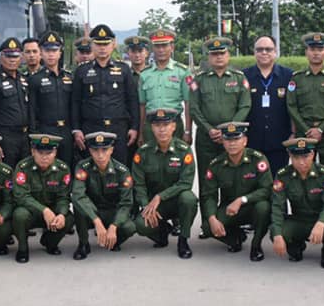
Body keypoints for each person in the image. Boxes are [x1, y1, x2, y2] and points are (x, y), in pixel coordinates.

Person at [199, 122, 272, 261]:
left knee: (264, 207)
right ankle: (235, 238)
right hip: (229, 209)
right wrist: (212, 218)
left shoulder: (257, 159)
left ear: (245, 141)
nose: (232, 144)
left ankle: (256, 245)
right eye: (228, 139)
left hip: (252, 205)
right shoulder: (216, 164)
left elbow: (267, 189)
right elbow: (209, 195)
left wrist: (242, 200)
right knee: (208, 227)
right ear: (223, 142)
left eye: (236, 139)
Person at [132, 108, 198, 259]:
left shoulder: (183, 151)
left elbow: (185, 183)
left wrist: (160, 196)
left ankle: (183, 240)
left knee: (189, 199)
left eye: (166, 125)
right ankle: (161, 232)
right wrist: (145, 205)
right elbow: (139, 184)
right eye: (157, 125)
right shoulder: (143, 153)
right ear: (151, 128)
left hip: (176, 201)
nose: (162, 130)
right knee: (141, 225)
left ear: (173, 126)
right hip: (154, 206)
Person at [71, 24, 140, 165]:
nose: (102, 48)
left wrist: (134, 127)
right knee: (91, 169)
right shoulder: (82, 71)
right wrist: (76, 129)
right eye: (98, 44)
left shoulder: (123, 69)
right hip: (91, 128)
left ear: (113, 45)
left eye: (106, 44)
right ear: (92, 45)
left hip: (118, 129)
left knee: (119, 167)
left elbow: (132, 100)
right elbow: (75, 102)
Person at [270, 137, 324, 268]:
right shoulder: (283, 175)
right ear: (290, 156)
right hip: (298, 220)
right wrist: (277, 235)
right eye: (296, 158)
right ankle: (296, 247)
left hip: (318, 219)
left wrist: (321, 223)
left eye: (305, 157)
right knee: (275, 231)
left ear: (313, 154)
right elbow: (277, 206)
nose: (302, 162)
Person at [189, 37, 251, 181]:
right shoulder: (199, 79)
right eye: (214, 54)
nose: (219, 57)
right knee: (206, 179)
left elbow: (245, 106)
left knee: (232, 179)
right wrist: (209, 129)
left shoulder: (240, 78)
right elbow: (194, 108)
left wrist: (229, 129)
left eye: (222, 53)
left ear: (228, 55)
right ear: (209, 57)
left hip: (233, 138)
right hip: (206, 138)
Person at [70, 131, 136, 260]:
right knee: (79, 207)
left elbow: (126, 203)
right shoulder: (83, 167)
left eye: (104, 150)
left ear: (111, 150)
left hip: (111, 212)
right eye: (95, 150)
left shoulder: (121, 171)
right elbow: (78, 195)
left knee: (130, 227)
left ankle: (113, 240)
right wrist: (96, 221)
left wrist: (114, 225)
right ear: (89, 150)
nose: (100, 155)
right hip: (91, 211)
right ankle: (83, 244)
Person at [11, 134, 75, 263]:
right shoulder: (23, 167)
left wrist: (61, 214)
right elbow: (21, 196)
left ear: (55, 152)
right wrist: (44, 210)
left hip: (52, 214)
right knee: (19, 214)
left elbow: (63, 196)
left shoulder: (63, 169)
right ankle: (23, 248)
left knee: (69, 218)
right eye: (40, 152)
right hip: (31, 213)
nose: (44, 157)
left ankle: (49, 243)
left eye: (49, 152)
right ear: (33, 151)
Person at [287, 32, 324, 171]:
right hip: (304, 132)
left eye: (320, 49)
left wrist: (320, 129)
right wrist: (307, 130)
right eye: (312, 49)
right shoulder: (297, 78)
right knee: (302, 171)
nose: (316, 53)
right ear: (306, 52)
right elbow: (291, 106)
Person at [243, 35, 293, 174]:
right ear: (254, 52)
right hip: (252, 141)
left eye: (268, 49)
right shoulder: (244, 76)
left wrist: (294, 133)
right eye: (259, 49)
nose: (264, 52)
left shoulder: (288, 76)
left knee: (277, 184)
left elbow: (294, 107)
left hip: (280, 141)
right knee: (252, 183)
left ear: (275, 52)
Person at [138, 28, 192, 143]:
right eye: (157, 46)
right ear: (153, 48)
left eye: (164, 45)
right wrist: (141, 132)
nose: (161, 50)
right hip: (151, 125)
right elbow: (142, 105)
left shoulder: (183, 72)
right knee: (150, 159)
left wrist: (188, 131)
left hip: (173, 124)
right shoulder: (144, 74)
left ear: (172, 47)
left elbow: (189, 103)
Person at [29, 31, 74, 167]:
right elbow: (32, 110)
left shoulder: (69, 78)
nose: (51, 54)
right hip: (46, 130)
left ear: (60, 53)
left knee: (66, 167)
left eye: (54, 50)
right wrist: (34, 135)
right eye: (47, 50)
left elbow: (75, 106)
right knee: (46, 168)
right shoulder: (35, 79)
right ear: (41, 53)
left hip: (67, 131)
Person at [0, 37, 31, 166]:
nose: (12, 60)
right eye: (8, 56)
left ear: (20, 58)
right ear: (1, 57)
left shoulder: (24, 80)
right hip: (6, 137)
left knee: (24, 173)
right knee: (7, 174)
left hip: (25, 136)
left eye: (15, 56)